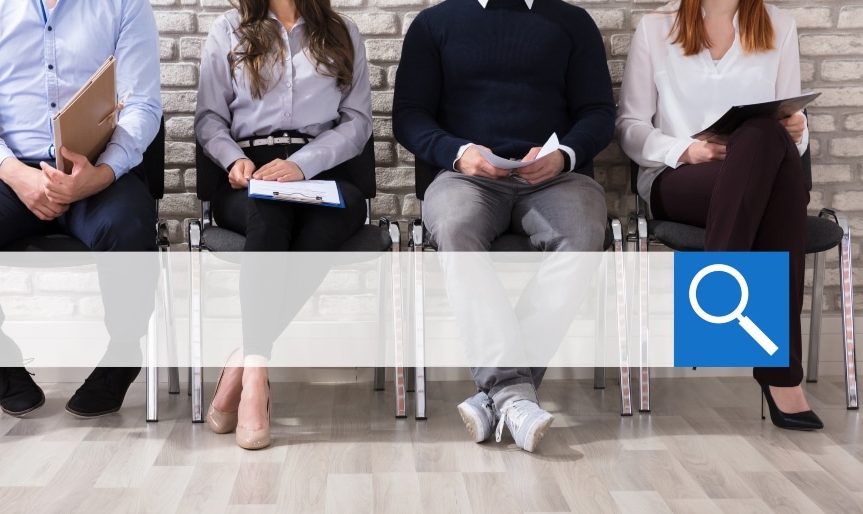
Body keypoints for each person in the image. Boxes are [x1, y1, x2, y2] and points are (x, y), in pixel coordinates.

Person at [0, 0, 162, 418]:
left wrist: (99, 174)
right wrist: (15, 174)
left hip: (96, 167)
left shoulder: (125, 4)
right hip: (13, 173)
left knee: (131, 229)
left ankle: (122, 353)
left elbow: (143, 106)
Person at [393, 0, 615, 452]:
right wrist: (457, 151)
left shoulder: (572, 22)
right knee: (454, 228)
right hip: (465, 177)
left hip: (555, 178)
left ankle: (497, 397)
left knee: (585, 232)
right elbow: (409, 115)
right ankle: (515, 394)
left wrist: (564, 155)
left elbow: (598, 113)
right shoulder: (434, 24)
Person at [617, 0, 819, 429]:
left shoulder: (779, 26)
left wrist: (799, 129)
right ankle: (781, 377)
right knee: (780, 191)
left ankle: (715, 299)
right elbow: (630, 127)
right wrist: (684, 149)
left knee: (765, 132)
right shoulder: (656, 27)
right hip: (680, 177)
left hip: (763, 179)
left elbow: (789, 125)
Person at [195, 0, 372, 449]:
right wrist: (234, 159)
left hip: (322, 171)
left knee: (326, 225)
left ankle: (245, 361)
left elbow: (356, 123)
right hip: (249, 172)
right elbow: (210, 119)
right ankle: (256, 383)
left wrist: (302, 164)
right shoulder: (228, 30)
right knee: (268, 215)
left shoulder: (342, 32)